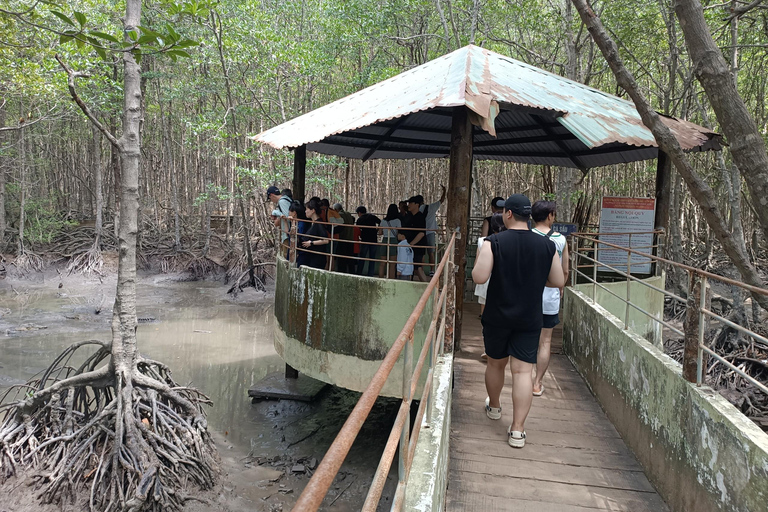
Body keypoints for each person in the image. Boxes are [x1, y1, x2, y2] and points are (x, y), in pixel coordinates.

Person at [472, 194, 565, 449]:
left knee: (495, 364)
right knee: (523, 372)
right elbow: (558, 281)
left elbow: (479, 277)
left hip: (497, 316)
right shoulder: (547, 246)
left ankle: (494, 406)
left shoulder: (493, 242)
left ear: (509, 214)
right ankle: (517, 431)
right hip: (530, 317)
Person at [530, 200, 569, 397]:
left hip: (527, 297)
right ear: (550, 215)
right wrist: (559, 287)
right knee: (545, 342)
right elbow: (565, 270)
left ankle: (523, 376)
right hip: (550, 298)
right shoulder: (560, 240)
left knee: (526, 337)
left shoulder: (526, 237)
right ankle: (537, 383)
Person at [474, 213, 507, 361]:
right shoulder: (508, 241)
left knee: (485, 318)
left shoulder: (482, 241)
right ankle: (502, 347)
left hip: (485, 282)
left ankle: (488, 348)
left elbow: (476, 265)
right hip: (502, 281)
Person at [420, 185, 446, 275]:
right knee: (431, 253)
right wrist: (444, 191)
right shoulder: (431, 207)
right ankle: (431, 270)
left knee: (422, 253)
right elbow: (441, 200)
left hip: (421, 233)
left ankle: (420, 270)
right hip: (430, 232)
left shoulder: (417, 210)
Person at [301, 198, 330, 270]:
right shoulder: (312, 223)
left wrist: (311, 243)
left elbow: (326, 240)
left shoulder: (319, 224)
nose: (305, 211)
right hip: (312, 255)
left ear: (313, 210)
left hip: (317, 258)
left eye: (307, 209)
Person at [405, 196, 428, 282]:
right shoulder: (410, 216)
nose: (409, 205)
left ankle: (427, 286)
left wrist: (411, 244)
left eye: (411, 203)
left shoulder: (420, 217)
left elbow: (421, 233)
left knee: (418, 267)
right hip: (411, 246)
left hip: (418, 246)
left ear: (417, 205)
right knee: (414, 267)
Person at [355, 206, 380, 276]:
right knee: (372, 258)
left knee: (362, 257)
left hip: (365, 240)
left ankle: (359, 272)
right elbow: (380, 222)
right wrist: (376, 230)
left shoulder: (360, 220)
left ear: (359, 213)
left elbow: (358, 229)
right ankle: (370, 274)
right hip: (373, 239)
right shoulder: (372, 216)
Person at [378, 204, 401, 279]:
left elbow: (380, 232)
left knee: (382, 263)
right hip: (393, 241)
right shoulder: (397, 221)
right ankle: (391, 280)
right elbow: (399, 232)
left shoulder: (383, 221)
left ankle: (380, 279)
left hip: (384, 240)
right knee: (392, 264)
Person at [333, 203, 356, 274]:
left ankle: (341, 273)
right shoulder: (348, 214)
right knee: (350, 259)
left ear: (336, 210)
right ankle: (352, 272)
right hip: (350, 239)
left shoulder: (339, 215)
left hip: (342, 239)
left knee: (341, 260)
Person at [290, 202, 310, 268]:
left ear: (294, 213)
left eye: (290, 211)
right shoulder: (298, 222)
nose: (288, 213)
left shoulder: (301, 224)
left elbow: (296, 236)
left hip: (302, 250)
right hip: (299, 249)